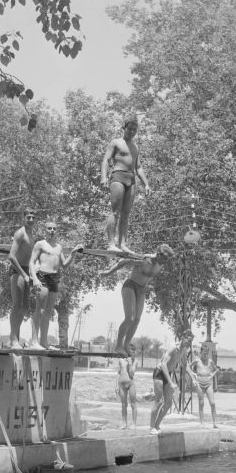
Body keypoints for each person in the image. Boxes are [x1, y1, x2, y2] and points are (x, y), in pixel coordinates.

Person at [99, 244, 175, 357]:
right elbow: (124, 261)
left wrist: (148, 286)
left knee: (137, 320)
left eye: (167, 259)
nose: (165, 261)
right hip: (130, 286)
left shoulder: (161, 264)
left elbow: (149, 276)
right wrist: (109, 272)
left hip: (141, 290)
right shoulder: (145, 259)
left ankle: (126, 346)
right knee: (129, 318)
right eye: (164, 258)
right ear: (159, 254)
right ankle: (118, 346)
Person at [100, 116, 151, 253]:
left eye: (135, 129)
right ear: (124, 128)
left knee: (126, 214)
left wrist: (146, 184)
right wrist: (103, 177)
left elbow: (138, 167)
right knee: (115, 211)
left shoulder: (135, 147)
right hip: (118, 176)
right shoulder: (116, 142)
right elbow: (106, 160)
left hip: (131, 179)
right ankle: (111, 244)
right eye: (130, 129)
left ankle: (123, 244)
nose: (132, 132)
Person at [29, 221, 83, 351]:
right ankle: (34, 341)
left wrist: (73, 253)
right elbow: (31, 262)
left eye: (54, 228)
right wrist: (34, 278)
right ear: (45, 230)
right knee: (40, 309)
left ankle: (44, 342)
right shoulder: (40, 244)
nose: (52, 230)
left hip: (54, 277)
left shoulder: (59, 247)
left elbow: (64, 265)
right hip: (42, 276)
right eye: (49, 228)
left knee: (48, 311)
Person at [149, 330, 193, 435]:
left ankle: (157, 425)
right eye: (189, 340)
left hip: (168, 374)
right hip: (160, 373)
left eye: (191, 341)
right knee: (159, 401)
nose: (190, 343)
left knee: (168, 403)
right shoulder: (173, 347)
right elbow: (163, 364)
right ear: (183, 338)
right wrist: (170, 382)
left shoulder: (184, 350)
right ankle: (151, 427)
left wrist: (193, 376)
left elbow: (185, 364)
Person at [8, 208, 37, 350]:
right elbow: (11, 256)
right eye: (28, 217)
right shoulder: (20, 233)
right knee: (17, 304)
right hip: (17, 271)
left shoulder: (32, 235)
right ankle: (13, 339)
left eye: (33, 217)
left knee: (25, 307)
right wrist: (23, 274)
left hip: (26, 271)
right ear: (23, 218)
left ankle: (14, 336)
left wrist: (32, 273)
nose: (30, 219)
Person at [189, 345, 220, 428]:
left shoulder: (210, 361)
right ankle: (202, 423)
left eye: (207, 353)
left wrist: (212, 375)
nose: (206, 355)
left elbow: (217, 369)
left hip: (208, 384)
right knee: (201, 402)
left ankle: (214, 423)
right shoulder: (197, 361)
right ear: (201, 352)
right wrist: (194, 374)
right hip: (199, 384)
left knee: (212, 403)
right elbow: (188, 367)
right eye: (204, 353)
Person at [116, 345, 137, 429]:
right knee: (123, 404)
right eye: (131, 350)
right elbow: (118, 373)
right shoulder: (121, 360)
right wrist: (116, 385)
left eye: (134, 350)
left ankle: (134, 424)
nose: (133, 352)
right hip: (121, 384)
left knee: (133, 404)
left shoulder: (135, 361)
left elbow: (132, 374)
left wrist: (130, 364)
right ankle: (124, 423)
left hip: (130, 383)